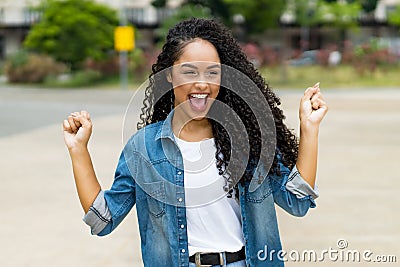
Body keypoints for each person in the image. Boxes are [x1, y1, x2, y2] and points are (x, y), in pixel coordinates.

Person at [63, 18, 328, 267]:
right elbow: (103, 220)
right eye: (189, 72)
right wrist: (78, 151)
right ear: (169, 75)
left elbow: (298, 201)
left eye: (212, 73)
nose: (202, 83)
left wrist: (309, 128)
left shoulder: (247, 139)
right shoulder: (143, 148)